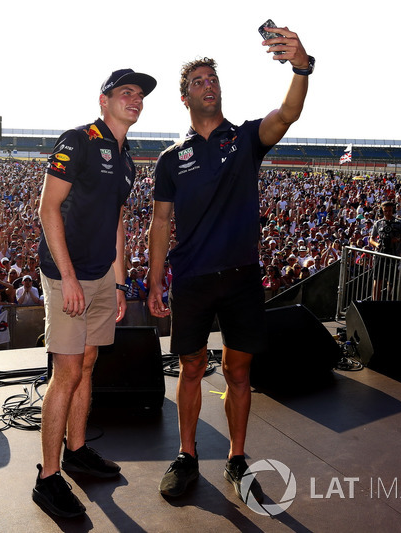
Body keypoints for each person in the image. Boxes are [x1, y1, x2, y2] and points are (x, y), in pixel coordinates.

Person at [147, 27, 312, 504]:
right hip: (193, 279)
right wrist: (155, 280)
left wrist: (301, 68)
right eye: (199, 81)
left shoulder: (243, 139)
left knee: (239, 373)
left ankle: (237, 458)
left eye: (213, 78)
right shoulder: (171, 159)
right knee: (192, 367)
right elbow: (160, 222)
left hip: (241, 277)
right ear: (184, 97)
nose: (209, 85)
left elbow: (288, 113)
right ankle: (187, 455)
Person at [32, 68, 156, 518]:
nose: (136, 99)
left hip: (103, 275)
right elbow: (48, 209)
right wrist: (66, 276)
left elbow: (120, 221)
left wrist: (119, 281)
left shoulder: (127, 159)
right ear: (103, 100)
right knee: (65, 371)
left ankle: (77, 449)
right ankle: (48, 477)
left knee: (88, 361)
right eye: (126, 92)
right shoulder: (78, 140)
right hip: (68, 272)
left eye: (140, 95)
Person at [369, 200, 401, 300]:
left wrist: (397, 240)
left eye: (390, 210)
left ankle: (388, 301)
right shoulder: (378, 223)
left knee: (391, 281)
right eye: (385, 211)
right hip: (380, 254)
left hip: (394, 255)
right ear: (382, 211)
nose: (388, 213)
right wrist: (377, 244)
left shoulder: (400, 223)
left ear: (393, 210)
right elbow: (371, 239)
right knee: (377, 280)